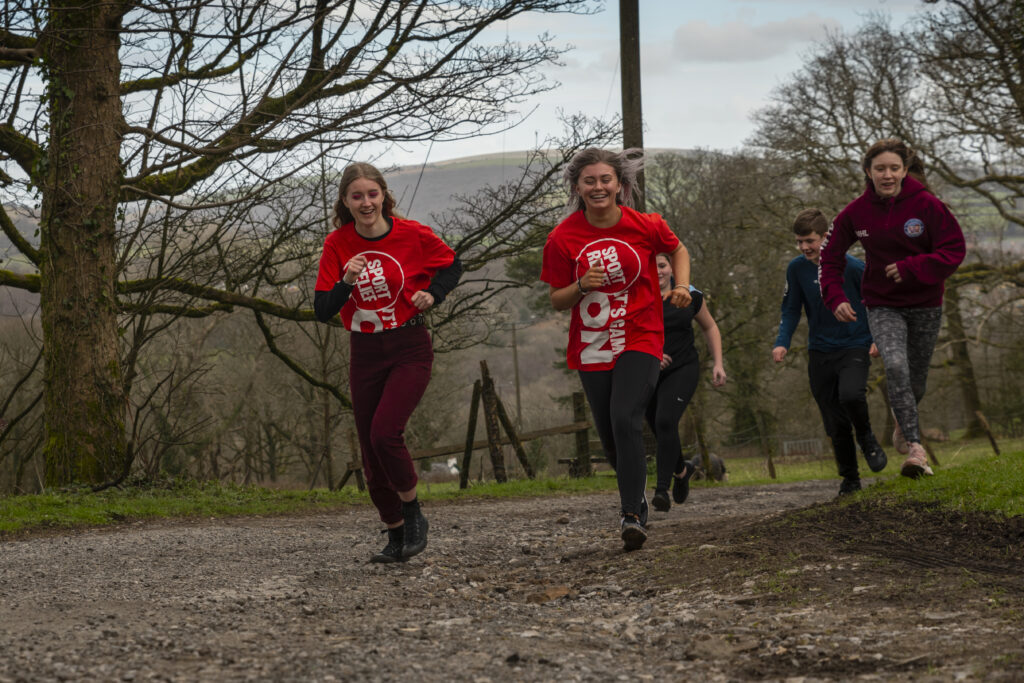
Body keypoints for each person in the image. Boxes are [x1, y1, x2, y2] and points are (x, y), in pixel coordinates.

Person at [540, 148, 690, 551]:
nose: (598, 187)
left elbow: (677, 249)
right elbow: (557, 299)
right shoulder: (562, 238)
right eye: (589, 181)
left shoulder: (646, 225)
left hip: (641, 334)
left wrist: (679, 285)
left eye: (605, 179)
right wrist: (582, 286)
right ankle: (635, 493)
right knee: (611, 438)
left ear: (620, 185)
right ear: (577, 188)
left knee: (626, 417)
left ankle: (631, 514)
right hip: (593, 344)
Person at [314, 162, 462, 563]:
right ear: (345, 201)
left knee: (384, 433)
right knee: (369, 452)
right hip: (364, 351)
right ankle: (396, 534)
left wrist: (433, 294)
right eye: (357, 196)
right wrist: (346, 281)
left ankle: (413, 513)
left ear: (384, 196)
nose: (366, 202)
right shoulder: (337, 244)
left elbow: (452, 265)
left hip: (408, 345)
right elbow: (321, 309)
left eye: (372, 194)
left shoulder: (412, 234)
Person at [819, 139, 965, 479]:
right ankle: (916, 450)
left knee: (916, 379)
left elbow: (954, 250)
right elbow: (830, 256)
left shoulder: (927, 206)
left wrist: (912, 267)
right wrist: (835, 296)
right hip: (883, 304)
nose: (887, 175)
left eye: (894, 168)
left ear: (904, 170)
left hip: (926, 304)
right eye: (880, 169)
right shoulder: (856, 212)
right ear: (868, 172)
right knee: (896, 366)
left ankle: (903, 419)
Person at [772, 209, 887, 496]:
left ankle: (867, 438)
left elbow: (876, 303)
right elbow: (790, 310)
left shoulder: (854, 268)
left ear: (826, 237)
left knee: (851, 395)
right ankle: (850, 479)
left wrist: (877, 337)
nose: (804, 247)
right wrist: (782, 341)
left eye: (809, 240)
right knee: (835, 422)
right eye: (799, 242)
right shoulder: (796, 269)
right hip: (820, 351)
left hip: (854, 346)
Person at [645, 253, 726, 513]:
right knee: (660, 428)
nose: (658, 271)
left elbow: (710, 327)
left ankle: (661, 491)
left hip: (683, 368)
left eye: (662, 265)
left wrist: (718, 364)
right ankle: (682, 470)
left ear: (672, 267)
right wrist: (650, 355)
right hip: (647, 372)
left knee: (666, 421)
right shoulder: (637, 298)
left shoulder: (690, 294)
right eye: (652, 266)